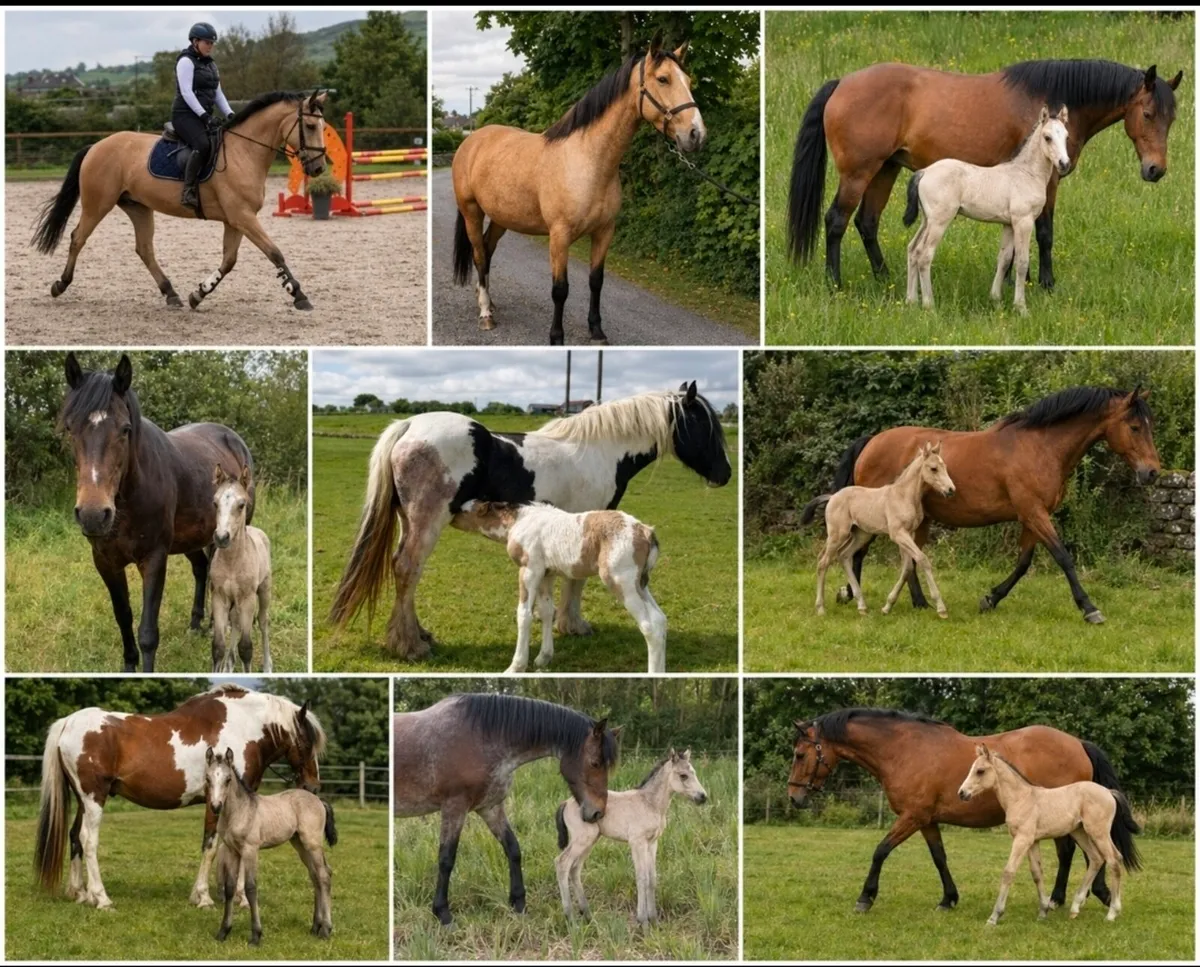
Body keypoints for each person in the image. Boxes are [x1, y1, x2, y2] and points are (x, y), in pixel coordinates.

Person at [173, 22, 234, 212]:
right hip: (184, 116)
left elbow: (218, 95)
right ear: (195, 41)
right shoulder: (186, 61)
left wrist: (230, 113)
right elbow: (186, 92)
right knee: (203, 145)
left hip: (203, 116)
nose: (210, 46)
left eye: (212, 43)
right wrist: (205, 116)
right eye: (207, 42)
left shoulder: (211, 65)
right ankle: (188, 191)